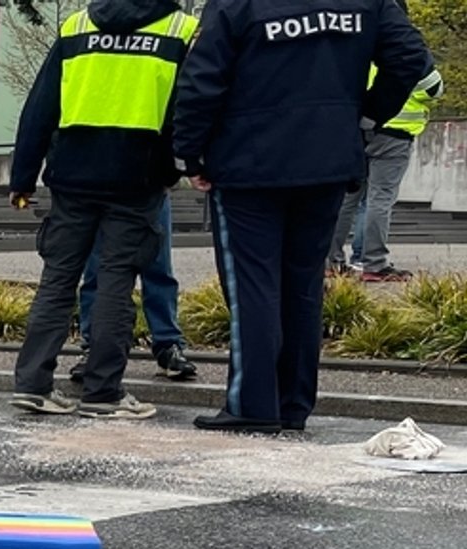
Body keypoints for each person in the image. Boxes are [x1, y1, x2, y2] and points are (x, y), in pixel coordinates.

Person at [172, 0, 430, 434]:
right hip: (327, 159)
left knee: (253, 285)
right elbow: (409, 57)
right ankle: (293, 403)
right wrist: (364, 115)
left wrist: (188, 151)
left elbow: (203, 79)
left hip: (248, 161)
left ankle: (253, 404)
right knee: (303, 285)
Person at [8, 0, 200, 420]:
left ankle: (33, 385)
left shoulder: (77, 26)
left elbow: (40, 107)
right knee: (117, 281)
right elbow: (188, 107)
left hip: (72, 176)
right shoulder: (181, 30)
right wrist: (185, 165)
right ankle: (103, 393)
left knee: (57, 280)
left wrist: (23, 177)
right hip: (137, 178)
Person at [329, 58, 444, 281]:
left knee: (347, 198)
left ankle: (330, 261)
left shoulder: (360, 49)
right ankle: (374, 262)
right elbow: (434, 89)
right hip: (394, 133)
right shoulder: (406, 55)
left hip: (357, 130)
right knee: (380, 198)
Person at [69, 196, 197, 383]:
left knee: (158, 269)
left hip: (145, 183)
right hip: (105, 185)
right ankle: (95, 346)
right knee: (97, 273)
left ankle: (167, 346)